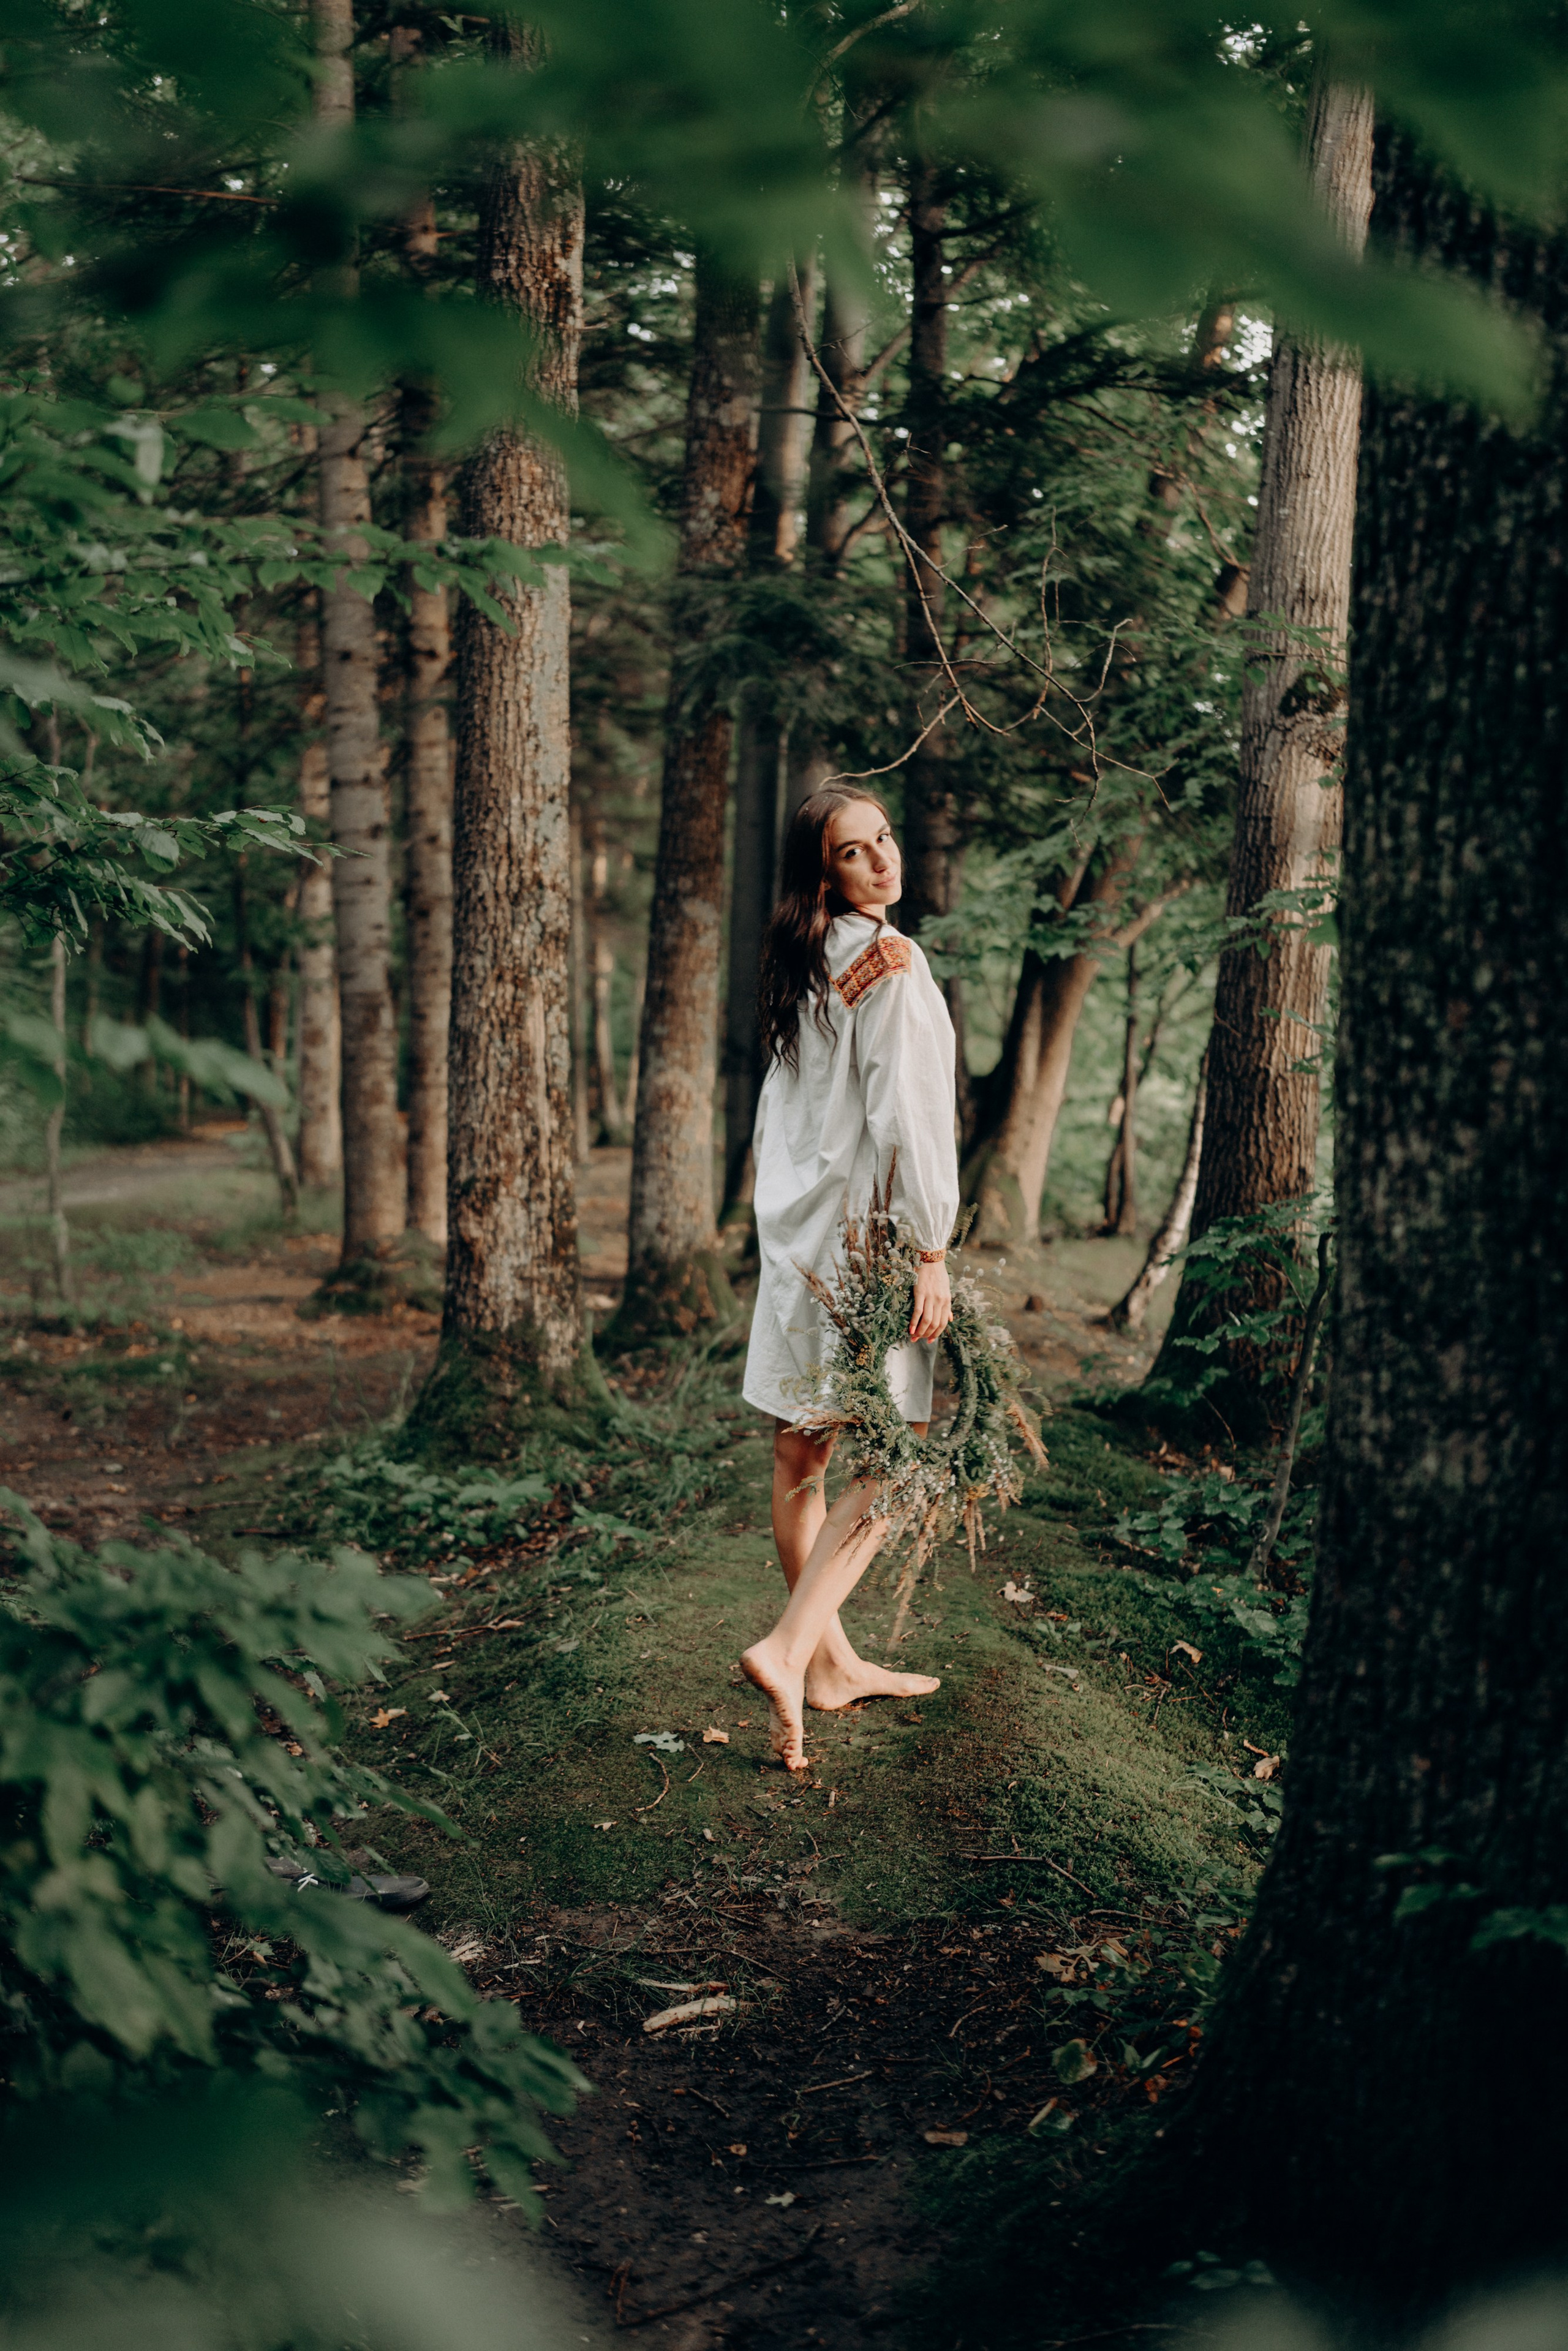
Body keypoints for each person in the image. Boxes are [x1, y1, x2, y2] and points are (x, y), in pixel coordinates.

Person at [739, 788, 960, 1772]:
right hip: (866, 1245)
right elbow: (907, 1118)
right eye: (854, 851)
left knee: (802, 1456)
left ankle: (828, 1667)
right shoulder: (896, 968)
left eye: (885, 840)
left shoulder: (805, 960)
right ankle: (789, 1649)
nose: (882, 860)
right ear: (825, 872)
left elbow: (781, 1118)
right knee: (896, 1450)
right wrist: (930, 1245)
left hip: (796, 1240)